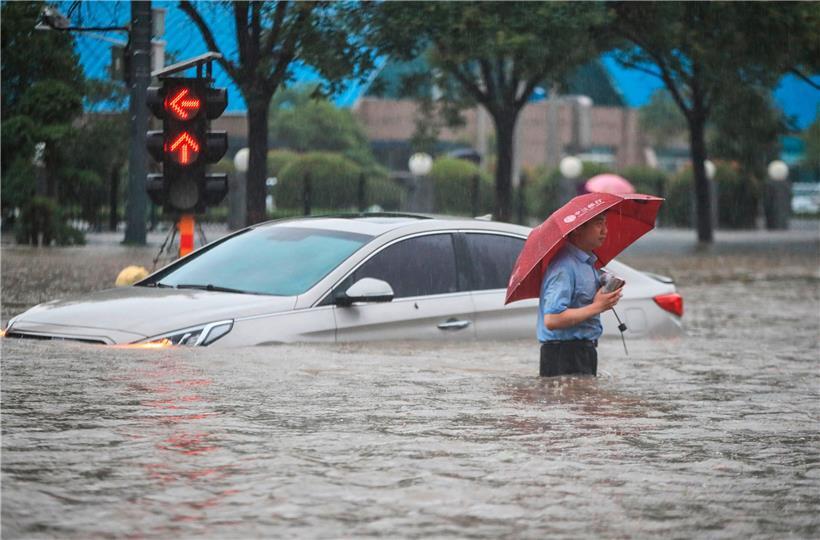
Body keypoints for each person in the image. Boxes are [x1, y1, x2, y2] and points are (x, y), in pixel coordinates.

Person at [537, 213, 622, 377]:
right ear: (577, 229)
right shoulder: (563, 267)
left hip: (584, 350)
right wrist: (597, 306)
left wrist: (604, 296)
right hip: (563, 353)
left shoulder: (588, 263)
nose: (605, 230)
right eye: (598, 224)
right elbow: (552, 319)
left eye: (605, 223)